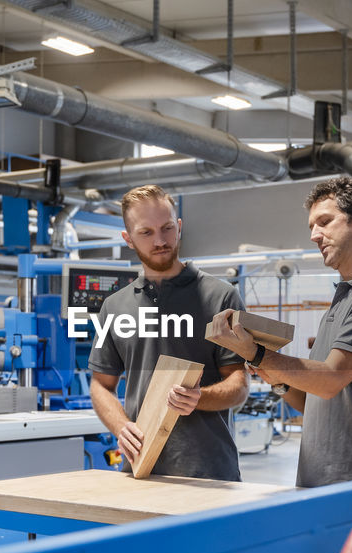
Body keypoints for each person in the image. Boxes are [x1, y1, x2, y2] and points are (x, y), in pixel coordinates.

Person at [207, 177, 352, 487]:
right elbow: (314, 400)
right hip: (317, 482)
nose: (313, 235)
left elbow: (331, 378)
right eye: (311, 225)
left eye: (324, 221)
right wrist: (275, 377)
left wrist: (258, 353)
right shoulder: (343, 297)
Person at [88, 184, 249, 480]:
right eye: (146, 232)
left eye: (166, 228)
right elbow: (101, 384)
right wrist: (120, 427)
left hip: (209, 472)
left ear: (179, 226)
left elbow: (239, 384)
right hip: (141, 469)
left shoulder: (221, 298)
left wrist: (199, 397)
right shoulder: (114, 306)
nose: (160, 241)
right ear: (128, 239)